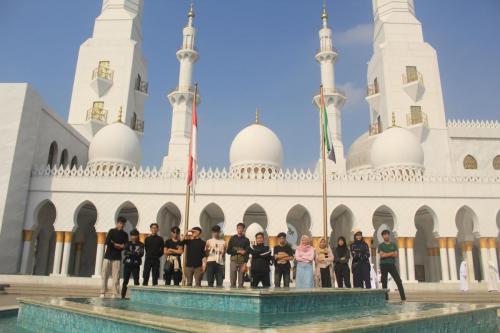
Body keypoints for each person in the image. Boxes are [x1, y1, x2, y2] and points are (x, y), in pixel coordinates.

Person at [100, 216, 128, 298]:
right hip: (108, 256)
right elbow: (107, 242)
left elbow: (125, 246)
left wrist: (115, 243)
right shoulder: (111, 231)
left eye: (123, 224)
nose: (121, 225)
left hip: (117, 258)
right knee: (104, 274)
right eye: (120, 223)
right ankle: (102, 292)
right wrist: (119, 245)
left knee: (116, 276)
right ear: (117, 223)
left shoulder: (125, 234)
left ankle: (114, 293)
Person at [378, 230, 406, 301]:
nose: (386, 236)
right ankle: (386, 299)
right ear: (382, 236)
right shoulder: (381, 245)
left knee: (398, 281)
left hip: (392, 265)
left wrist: (386, 254)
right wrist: (391, 253)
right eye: (384, 235)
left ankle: (403, 298)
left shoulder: (394, 245)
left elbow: (396, 254)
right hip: (383, 265)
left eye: (387, 234)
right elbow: (381, 255)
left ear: (389, 235)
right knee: (384, 282)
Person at [121, 229, 144, 298]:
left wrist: (131, 253)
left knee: (136, 281)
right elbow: (125, 253)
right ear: (130, 236)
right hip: (127, 264)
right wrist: (134, 253)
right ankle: (123, 296)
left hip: (136, 265)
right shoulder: (127, 243)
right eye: (132, 235)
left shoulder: (141, 244)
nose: (133, 237)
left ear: (137, 236)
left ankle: (136, 296)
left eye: (135, 235)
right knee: (125, 280)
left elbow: (140, 254)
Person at [227, 223, 250, 287]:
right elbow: (228, 251)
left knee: (241, 282)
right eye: (239, 228)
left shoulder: (246, 240)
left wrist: (245, 264)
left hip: (242, 262)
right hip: (233, 261)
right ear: (236, 229)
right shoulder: (232, 238)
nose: (240, 229)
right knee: (232, 281)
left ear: (243, 229)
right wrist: (238, 251)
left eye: (241, 228)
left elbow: (247, 253)